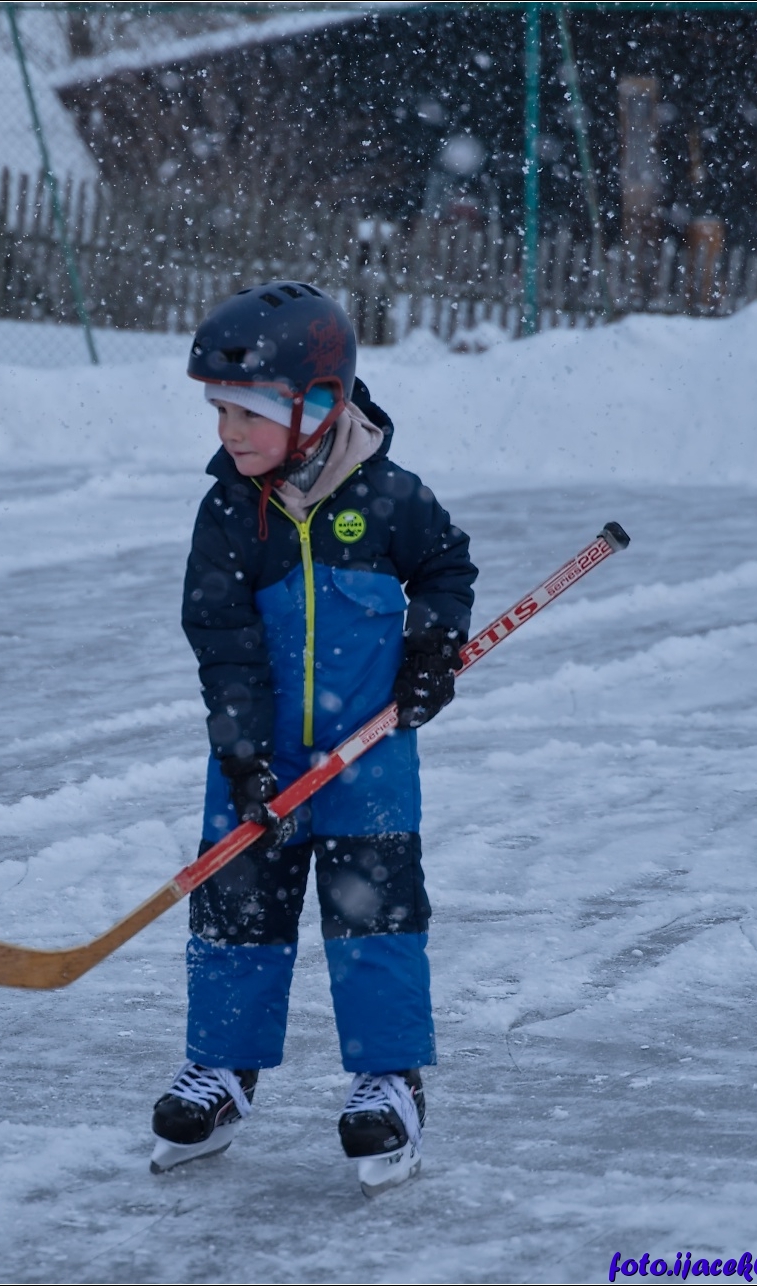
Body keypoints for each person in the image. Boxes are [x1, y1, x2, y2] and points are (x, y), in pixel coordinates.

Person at [151, 282, 478, 1197]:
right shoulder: (229, 513)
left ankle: (389, 1080)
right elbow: (220, 640)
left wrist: (432, 649)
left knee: (377, 920)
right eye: (219, 410)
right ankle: (222, 1069)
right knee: (234, 917)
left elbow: (446, 566)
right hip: (259, 755)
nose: (228, 431)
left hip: (368, 755)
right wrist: (244, 755)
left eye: (248, 412)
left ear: (321, 404)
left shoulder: (389, 498)